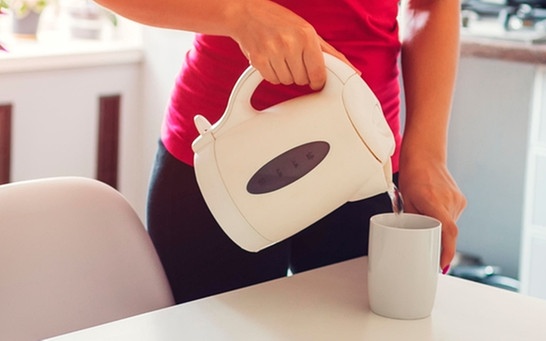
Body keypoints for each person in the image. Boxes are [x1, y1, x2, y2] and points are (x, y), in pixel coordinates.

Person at [95, 0, 467, 304]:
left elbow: (430, 4)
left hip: (368, 158)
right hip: (223, 162)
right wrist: (237, 13)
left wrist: (427, 153)